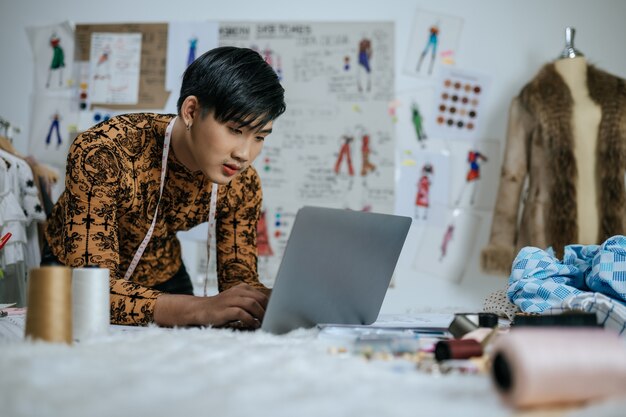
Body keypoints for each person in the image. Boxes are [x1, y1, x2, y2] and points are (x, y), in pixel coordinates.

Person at [43, 46, 287, 329]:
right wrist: (201, 308)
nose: (244, 154)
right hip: (75, 273)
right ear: (192, 110)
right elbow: (93, 288)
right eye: (235, 130)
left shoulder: (242, 184)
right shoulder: (104, 152)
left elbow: (239, 283)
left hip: (163, 272)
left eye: (259, 137)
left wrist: (272, 300)